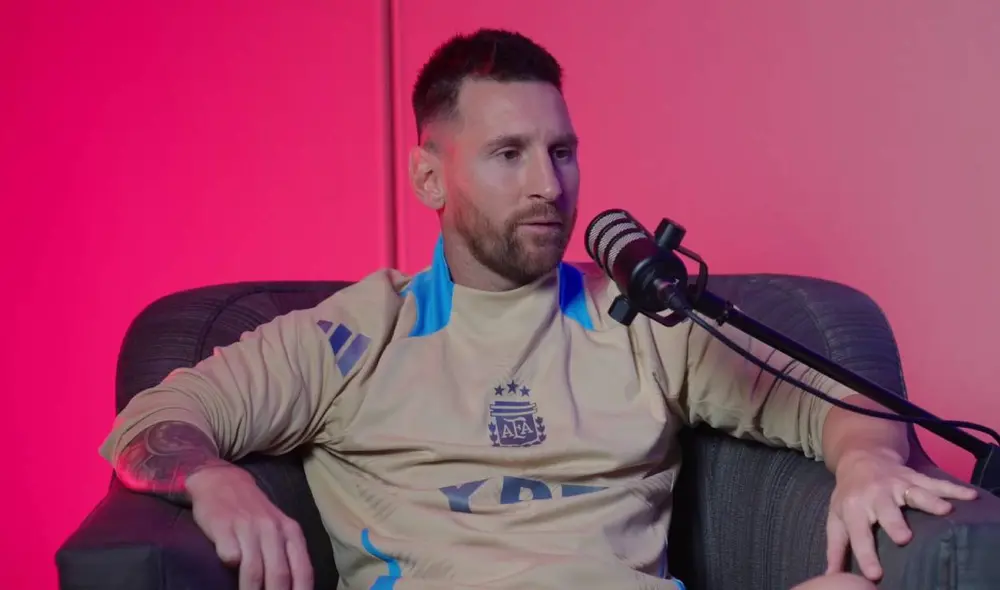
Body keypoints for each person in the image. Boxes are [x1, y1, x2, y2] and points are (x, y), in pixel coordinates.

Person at [99, 29, 978, 590]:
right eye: (509, 154)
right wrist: (213, 479)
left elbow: (830, 398)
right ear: (430, 177)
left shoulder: (640, 321)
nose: (546, 185)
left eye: (561, 151)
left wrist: (865, 460)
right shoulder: (356, 335)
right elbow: (158, 419)